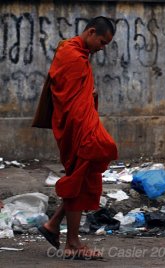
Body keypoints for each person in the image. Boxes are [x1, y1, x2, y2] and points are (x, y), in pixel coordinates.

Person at [37, 16, 118, 260]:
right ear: (91, 32)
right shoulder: (71, 55)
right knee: (80, 175)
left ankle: (53, 225)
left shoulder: (79, 54)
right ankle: (72, 243)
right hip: (75, 127)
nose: (102, 48)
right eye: (102, 42)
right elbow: (66, 98)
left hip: (80, 124)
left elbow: (76, 92)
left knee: (83, 176)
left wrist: (90, 94)